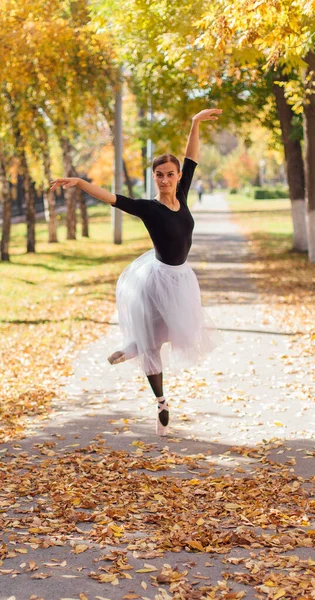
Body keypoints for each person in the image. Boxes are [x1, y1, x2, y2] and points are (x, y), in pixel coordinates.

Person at [50, 108, 222, 437]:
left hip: (182, 277)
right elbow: (112, 197)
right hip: (155, 279)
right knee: (154, 342)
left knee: (183, 330)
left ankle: (134, 347)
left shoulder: (183, 195)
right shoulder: (148, 208)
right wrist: (81, 182)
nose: (167, 179)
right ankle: (160, 402)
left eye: (171, 174)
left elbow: (191, 157)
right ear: (154, 178)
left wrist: (195, 122)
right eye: (160, 175)